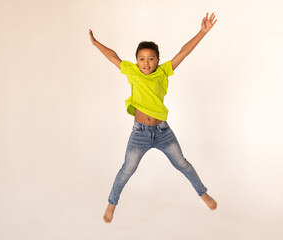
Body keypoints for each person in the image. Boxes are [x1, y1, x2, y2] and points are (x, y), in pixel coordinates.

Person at [89, 12, 218, 223]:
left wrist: (202, 33)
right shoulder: (132, 72)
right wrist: (96, 43)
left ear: (158, 60)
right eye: (141, 59)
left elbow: (183, 52)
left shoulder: (163, 71)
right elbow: (114, 57)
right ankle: (112, 203)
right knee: (126, 169)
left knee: (183, 164)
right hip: (139, 133)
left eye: (151, 59)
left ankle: (203, 193)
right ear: (136, 61)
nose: (146, 63)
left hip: (163, 132)